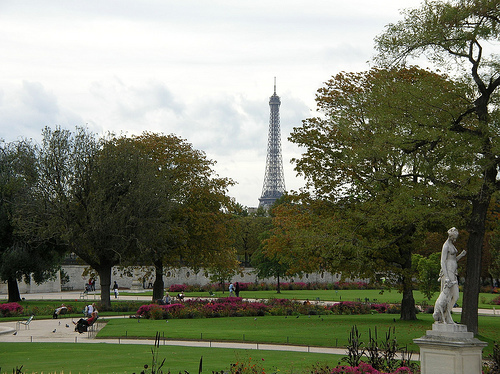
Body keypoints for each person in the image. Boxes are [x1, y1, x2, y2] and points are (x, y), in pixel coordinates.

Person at [433, 227, 466, 324]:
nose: (455, 239)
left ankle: (446, 316)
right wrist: (446, 276)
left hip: (453, 272)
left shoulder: (451, 245)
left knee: (455, 296)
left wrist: (461, 255)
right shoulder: (446, 246)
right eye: (454, 237)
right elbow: (443, 261)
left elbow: (453, 259)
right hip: (448, 273)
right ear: (450, 236)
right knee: (447, 296)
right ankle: (445, 318)